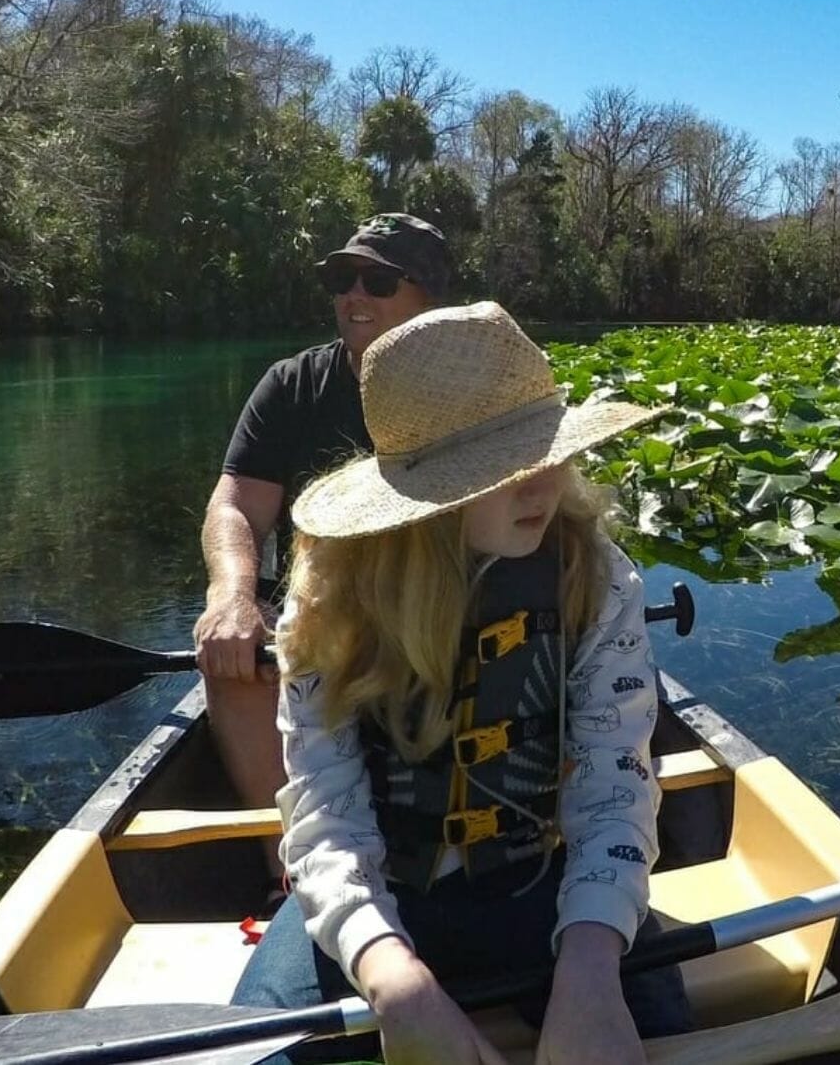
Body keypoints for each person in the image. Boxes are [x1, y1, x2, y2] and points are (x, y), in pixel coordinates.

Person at [230, 301, 688, 1065]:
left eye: (547, 453)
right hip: (381, 892)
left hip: (548, 885)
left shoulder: (596, 578)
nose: (540, 487)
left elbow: (615, 789)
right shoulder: (329, 603)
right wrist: (392, 979)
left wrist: (591, 968)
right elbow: (327, 817)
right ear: (429, 491)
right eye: (504, 470)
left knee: (662, 1040)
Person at [195, 213, 450, 819]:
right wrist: (231, 595)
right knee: (235, 661)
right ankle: (281, 869)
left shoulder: (466, 393)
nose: (354, 294)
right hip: (318, 626)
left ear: (430, 299)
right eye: (342, 277)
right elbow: (234, 504)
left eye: (379, 281)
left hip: (439, 610)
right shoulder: (290, 387)